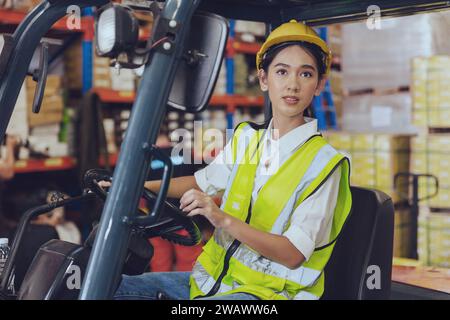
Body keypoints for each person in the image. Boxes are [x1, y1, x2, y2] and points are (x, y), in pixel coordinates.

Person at [114, 20, 352, 300]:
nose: (292, 84)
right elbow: (203, 183)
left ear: (319, 85)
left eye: (306, 74)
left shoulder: (325, 164)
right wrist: (132, 187)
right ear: (264, 80)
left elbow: (293, 254)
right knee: (112, 288)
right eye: (282, 71)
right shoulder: (246, 138)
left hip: (269, 296)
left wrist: (219, 218)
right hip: (214, 284)